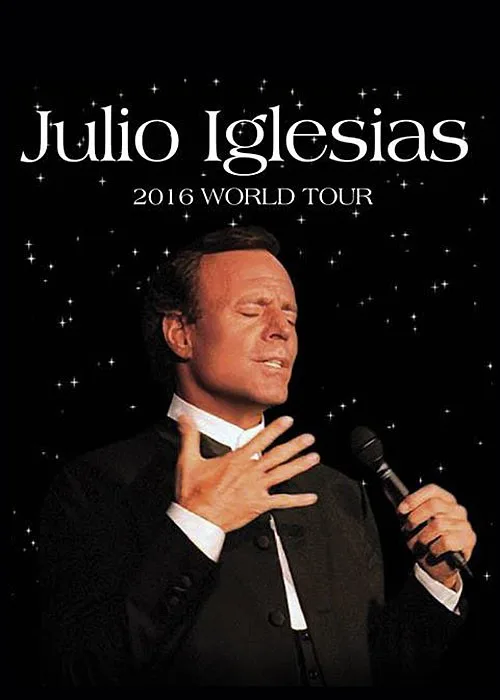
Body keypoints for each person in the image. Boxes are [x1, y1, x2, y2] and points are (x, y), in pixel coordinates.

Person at [38, 226, 476, 687]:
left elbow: (382, 670)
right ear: (180, 334)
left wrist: (436, 578)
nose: (281, 330)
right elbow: (84, 670)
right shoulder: (96, 485)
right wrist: (196, 525)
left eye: (291, 316)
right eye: (252, 311)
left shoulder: (340, 494)